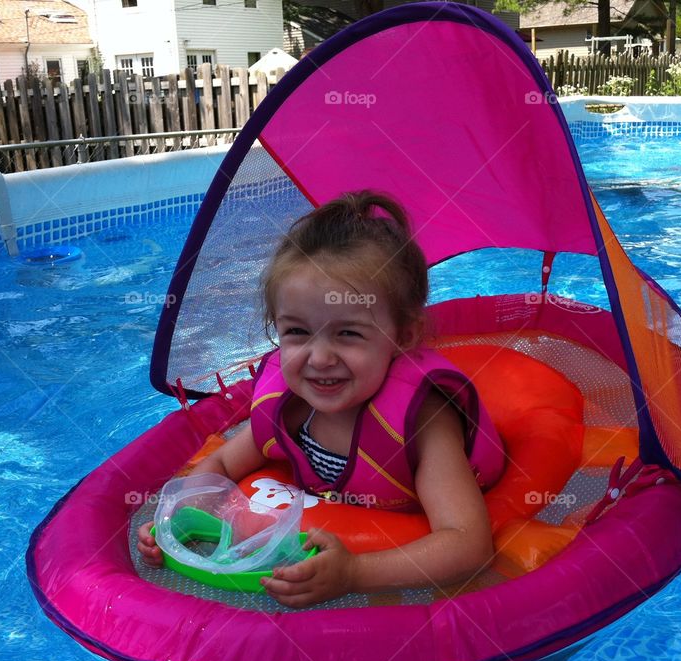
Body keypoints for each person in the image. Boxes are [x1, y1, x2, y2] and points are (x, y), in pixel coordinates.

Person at [137, 191, 504, 608]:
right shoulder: (288, 404)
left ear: (403, 336)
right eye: (297, 332)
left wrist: (355, 573)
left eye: (348, 334)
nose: (319, 358)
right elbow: (221, 464)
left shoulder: (422, 423)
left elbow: (469, 545)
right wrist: (174, 520)